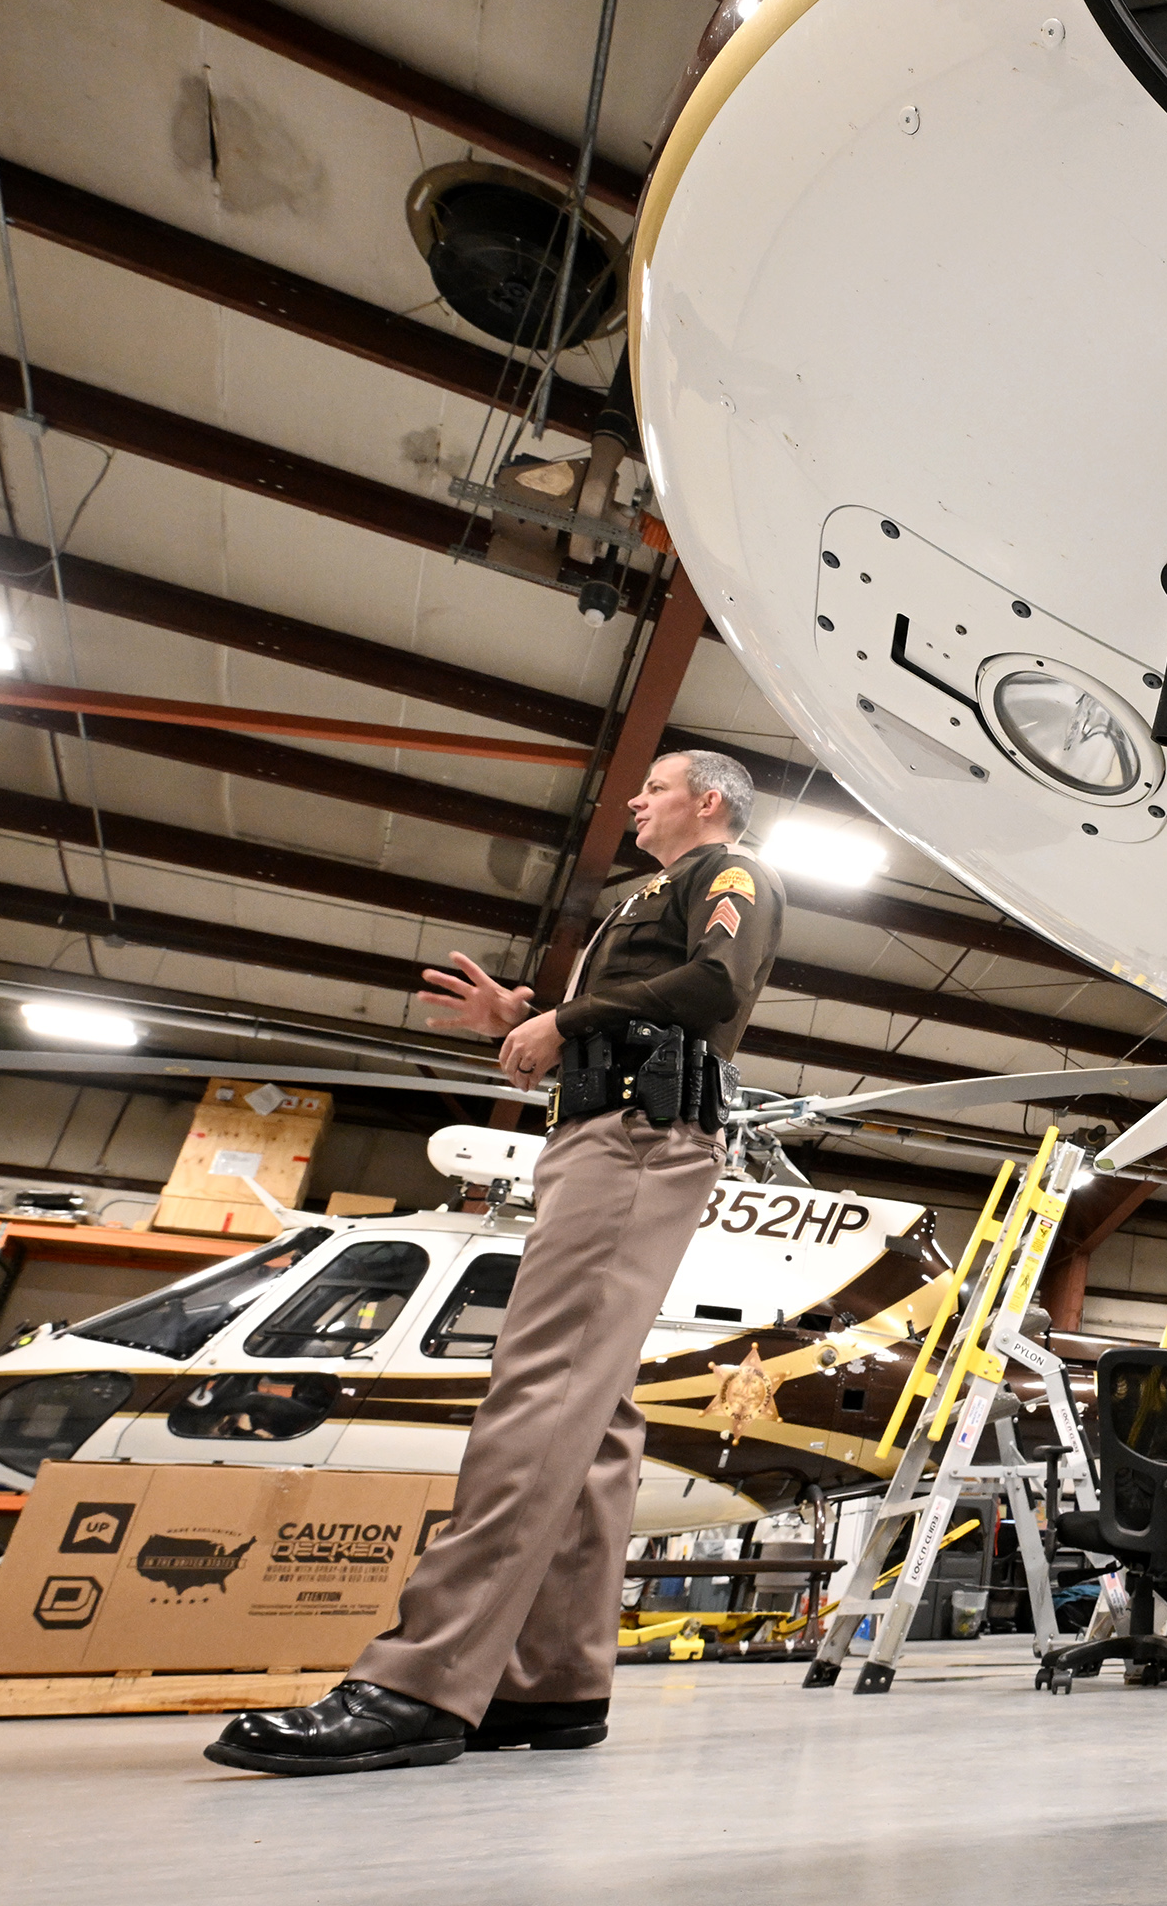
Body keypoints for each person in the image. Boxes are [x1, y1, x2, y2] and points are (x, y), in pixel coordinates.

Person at [206, 751, 787, 1775]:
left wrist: (561, 1017)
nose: (636, 801)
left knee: (540, 1389)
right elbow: (629, 1015)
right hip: (602, 1131)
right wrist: (523, 1018)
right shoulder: (642, 896)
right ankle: (551, 1678)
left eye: (655, 785)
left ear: (710, 800)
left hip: (636, 1140)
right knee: (595, 1413)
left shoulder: (728, 874)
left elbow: (711, 983)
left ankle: (420, 1679)